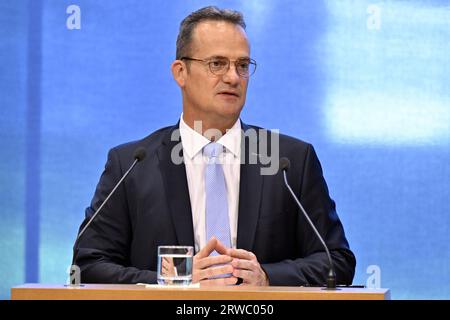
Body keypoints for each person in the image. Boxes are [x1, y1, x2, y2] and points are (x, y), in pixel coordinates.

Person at [73, 6, 356, 286]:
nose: (233, 77)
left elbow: (336, 261)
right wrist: (177, 278)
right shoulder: (132, 164)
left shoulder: (289, 162)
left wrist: (267, 277)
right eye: (217, 64)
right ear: (180, 72)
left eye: (242, 66)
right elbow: (88, 265)